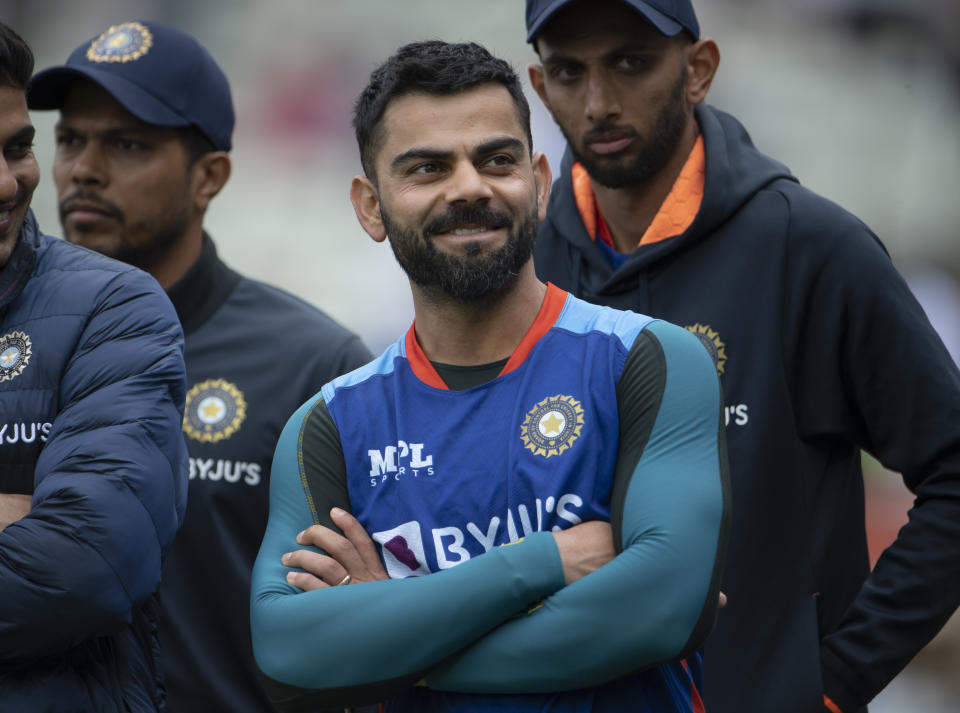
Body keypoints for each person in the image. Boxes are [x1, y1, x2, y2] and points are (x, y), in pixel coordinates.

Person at [250, 39, 730, 713]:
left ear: (539, 181)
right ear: (370, 206)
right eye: (426, 168)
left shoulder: (650, 359)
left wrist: (387, 638)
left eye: (496, 160)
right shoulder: (326, 427)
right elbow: (290, 656)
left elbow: (661, 611)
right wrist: (543, 563)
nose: (470, 187)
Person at [523, 1, 960, 712]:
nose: (599, 101)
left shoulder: (812, 249)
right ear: (541, 91)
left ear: (698, 71)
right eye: (569, 71)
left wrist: (835, 678)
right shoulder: (524, 267)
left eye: (631, 62)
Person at [27, 21, 373, 713]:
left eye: (128, 144)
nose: (84, 169)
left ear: (209, 175)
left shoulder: (315, 364)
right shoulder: (17, 347)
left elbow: (359, 629)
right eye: (70, 139)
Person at [0, 21, 187, 712]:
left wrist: (51, 531)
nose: (5, 182)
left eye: (18, 147)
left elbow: (83, 567)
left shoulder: (112, 303)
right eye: (69, 140)